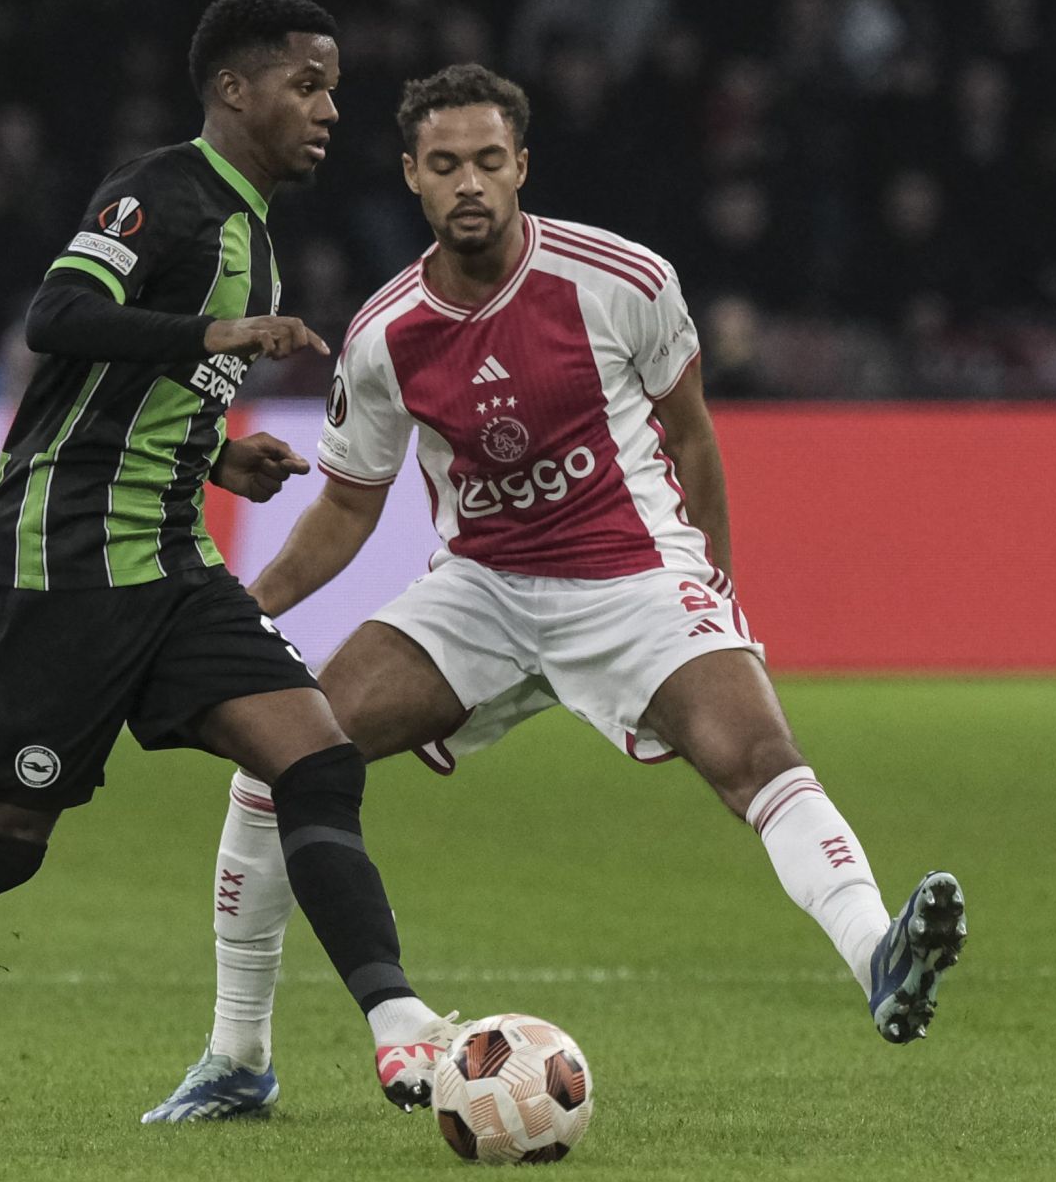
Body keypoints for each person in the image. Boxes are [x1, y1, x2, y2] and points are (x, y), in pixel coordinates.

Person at [142, 64, 967, 1124]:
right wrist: (246, 611)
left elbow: (690, 432)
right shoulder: (386, 333)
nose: (470, 183)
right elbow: (349, 507)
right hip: (481, 588)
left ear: (522, 164)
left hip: (632, 575)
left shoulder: (621, 278)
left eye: (490, 161)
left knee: (756, 755)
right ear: (413, 178)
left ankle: (877, 952)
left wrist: (705, 585)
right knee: (284, 749)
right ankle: (237, 1057)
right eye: (446, 166)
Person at [0, 0, 461, 1144]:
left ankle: (398, 1020)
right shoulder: (163, 195)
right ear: (234, 88)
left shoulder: (256, 237)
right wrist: (210, 338)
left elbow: (135, 399)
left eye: (334, 86)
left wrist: (223, 457)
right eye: (308, 83)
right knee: (6, 836)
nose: (331, 108)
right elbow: (57, 315)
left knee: (318, 758)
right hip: (65, 549)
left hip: (170, 555)